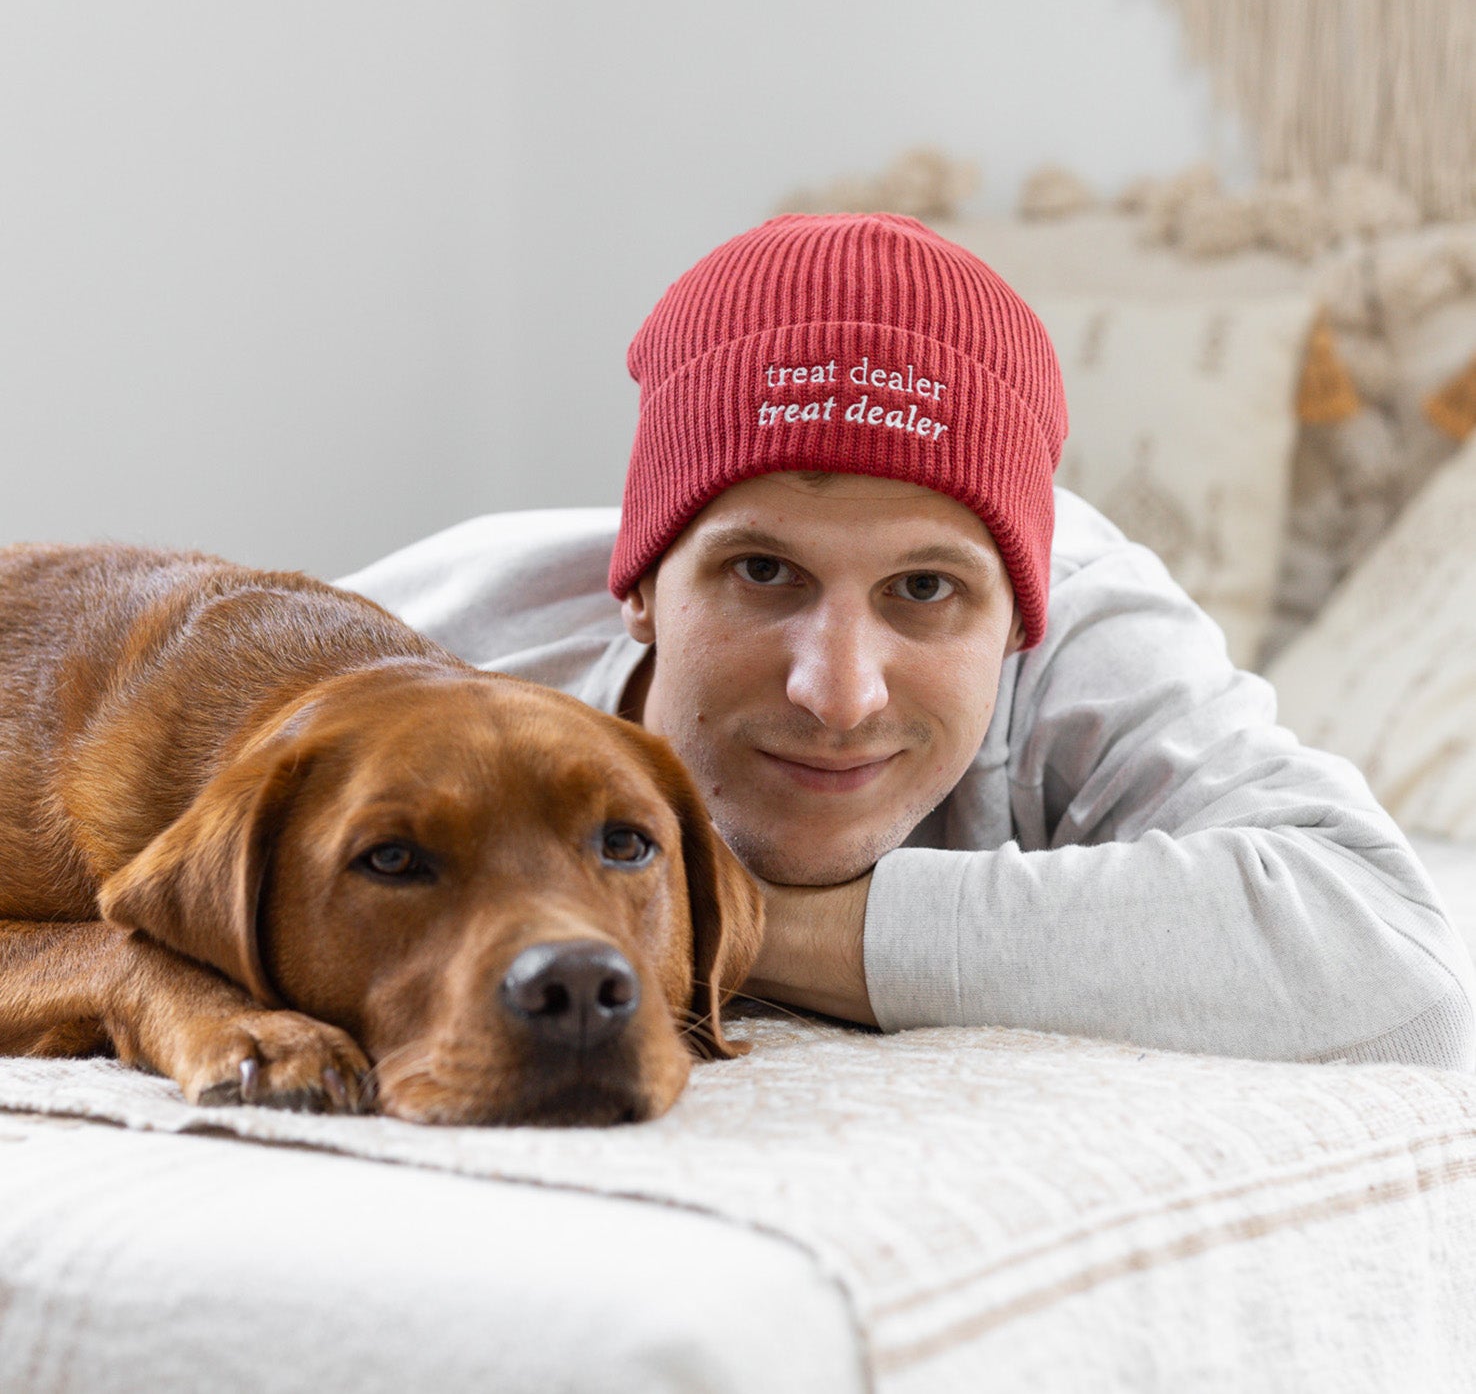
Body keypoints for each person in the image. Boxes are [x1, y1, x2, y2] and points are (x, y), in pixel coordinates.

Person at [341, 211, 1476, 1068]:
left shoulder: (1089, 630)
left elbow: (1396, 965)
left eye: (925, 589)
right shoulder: (444, 639)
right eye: (762, 572)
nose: (837, 693)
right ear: (635, 585)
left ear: (1019, 621)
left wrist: (713, 924)